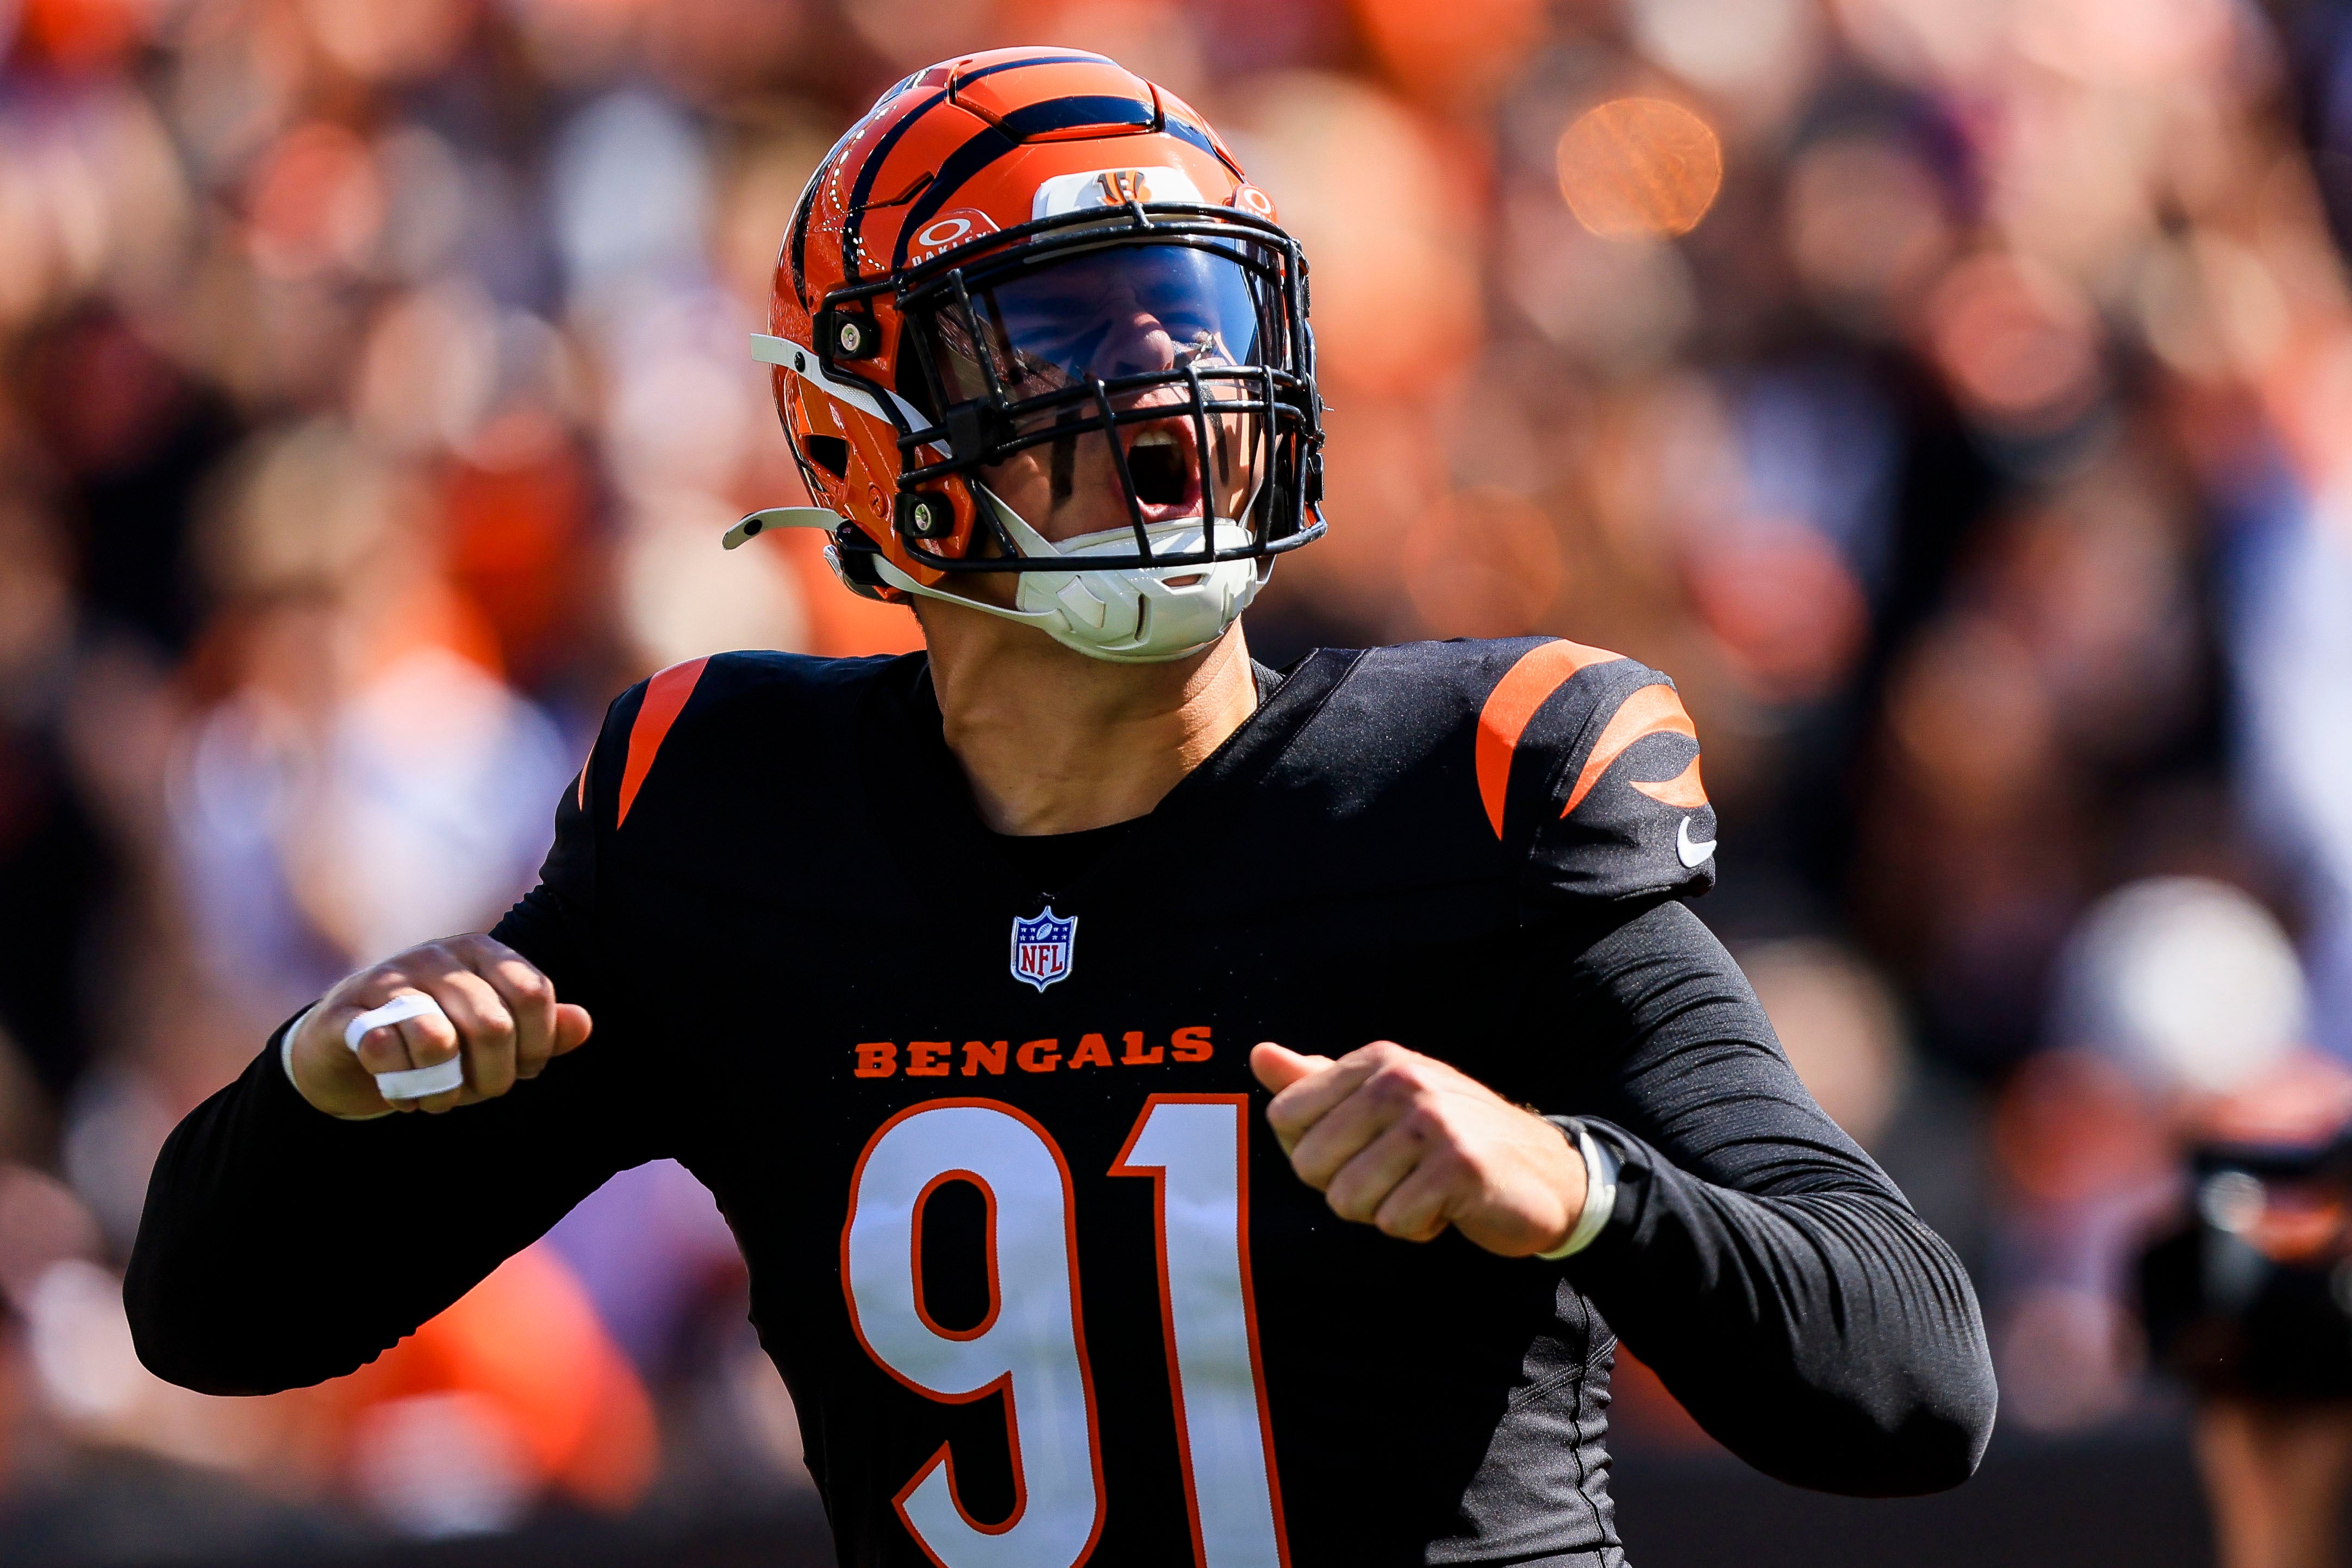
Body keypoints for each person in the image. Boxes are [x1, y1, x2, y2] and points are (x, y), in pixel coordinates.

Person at [126, 47, 1995, 1567]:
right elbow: (217, 1323)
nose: (1169, 382)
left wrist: (1579, 1189)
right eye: (1067, 332)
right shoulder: (735, 835)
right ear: (866, 432)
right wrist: (312, 1097)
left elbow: (1915, 1378)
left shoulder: (1458, 801)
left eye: (1194, 312)